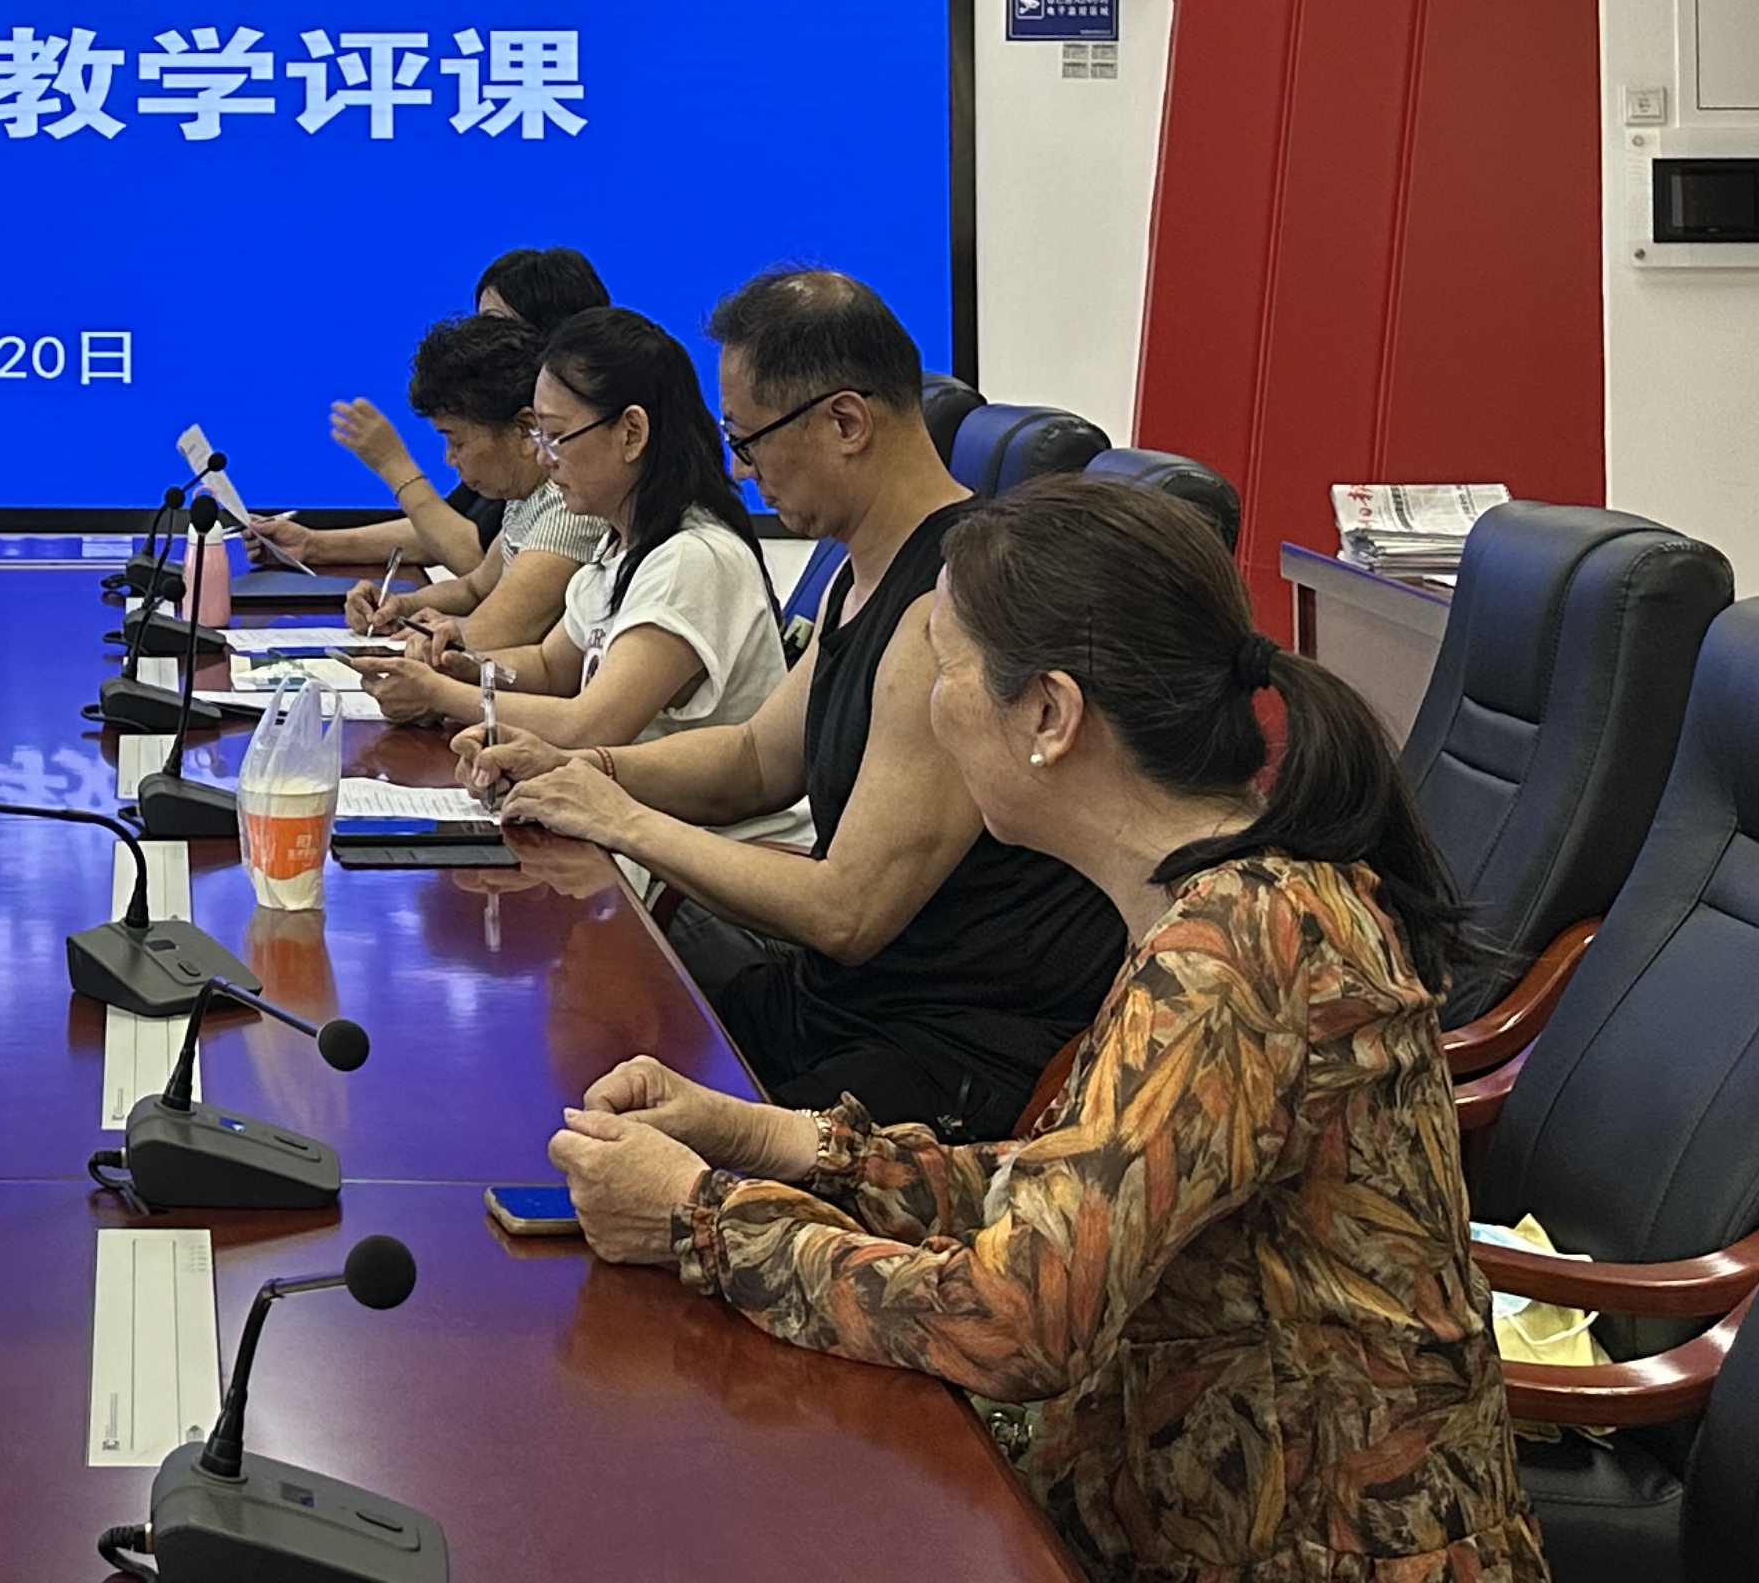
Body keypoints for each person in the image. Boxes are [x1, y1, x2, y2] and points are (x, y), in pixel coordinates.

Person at [546, 475, 1536, 1583]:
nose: (928, 708)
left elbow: (1017, 1322)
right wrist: (785, 1144)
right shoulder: (1228, 902)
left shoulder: (1233, 956)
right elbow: (1076, 1192)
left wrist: (701, 1219)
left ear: (1051, 718)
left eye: (945, 670)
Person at [470, 268, 1120, 1135]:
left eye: (751, 440)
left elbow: (847, 912)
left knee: (620, 1132)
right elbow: (754, 759)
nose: (743, 471)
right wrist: (585, 767)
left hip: (939, 1048)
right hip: (843, 1001)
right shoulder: (865, 572)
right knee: (565, 1065)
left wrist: (619, 819)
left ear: (845, 422)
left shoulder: (950, 614)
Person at [350, 309, 808, 846]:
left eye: (556, 436)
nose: (544, 459)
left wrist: (440, 692)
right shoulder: (619, 543)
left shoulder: (691, 558)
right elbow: (550, 666)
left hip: (713, 859)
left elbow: (590, 725)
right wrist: (469, 666)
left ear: (632, 433)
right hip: (633, 839)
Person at [246, 245, 613, 571]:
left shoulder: (564, 470)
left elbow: (473, 558)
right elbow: (445, 533)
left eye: (494, 326)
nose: (478, 340)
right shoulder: (502, 448)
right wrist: (313, 545)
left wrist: (394, 464)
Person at [301, 312, 596, 656]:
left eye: (457, 440)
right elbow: (474, 588)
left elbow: (494, 633)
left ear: (524, 429)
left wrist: (445, 630)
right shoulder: (525, 497)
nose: (449, 458)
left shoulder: (566, 507)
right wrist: (398, 606)